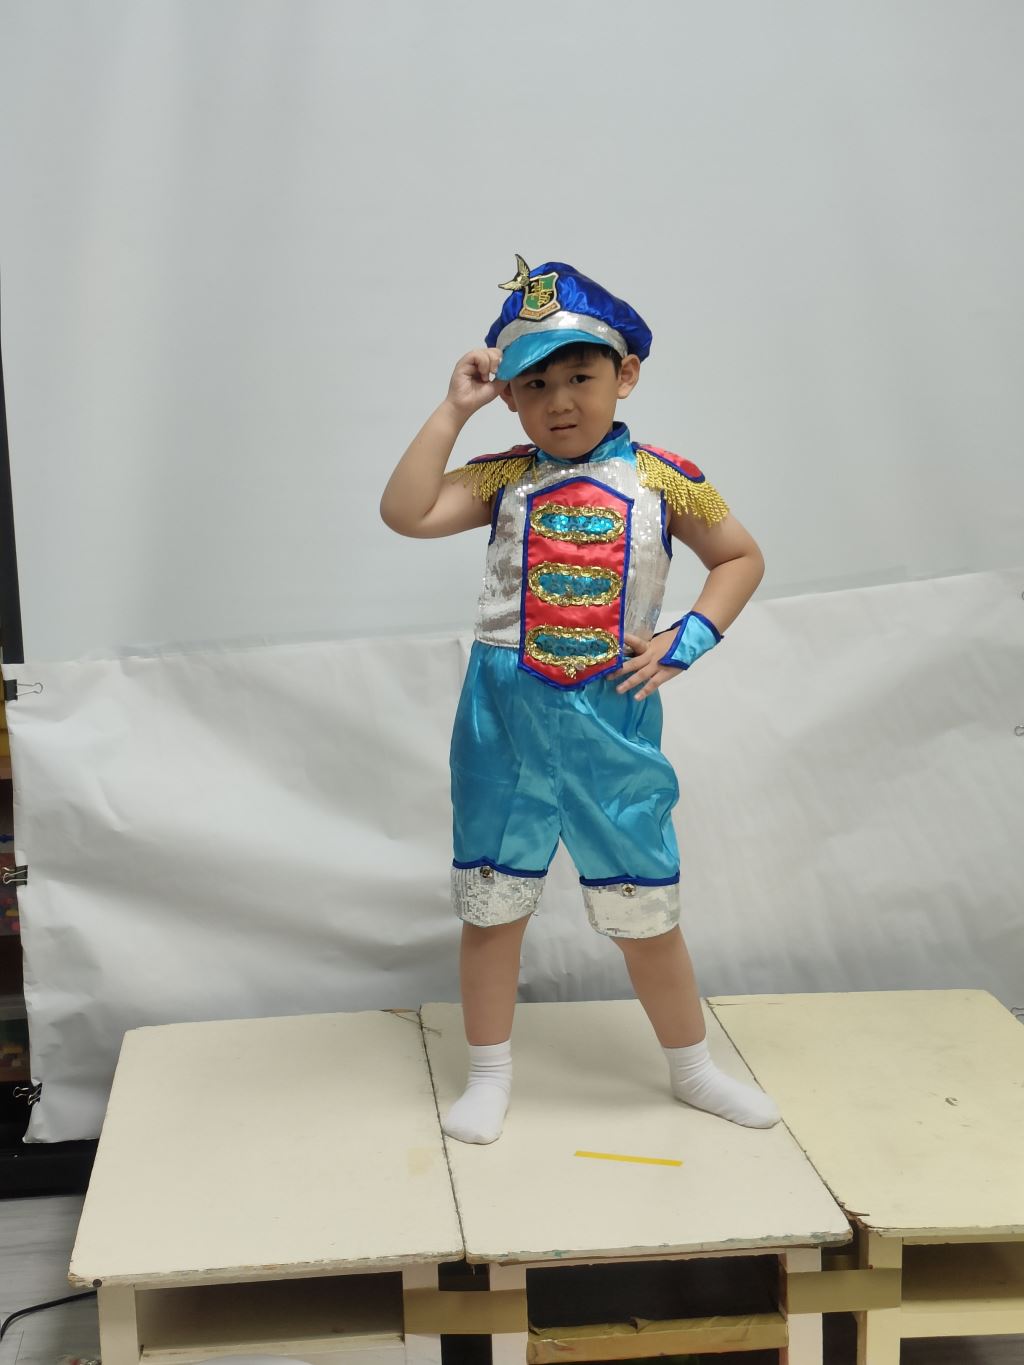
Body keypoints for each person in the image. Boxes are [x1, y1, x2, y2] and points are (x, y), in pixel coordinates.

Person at [380, 257, 780, 1144]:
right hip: (502, 723)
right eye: (535, 383)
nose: (559, 400)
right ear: (510, 396)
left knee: (647, 913)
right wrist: (452, 410)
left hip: (613, 720)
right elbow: (405, 512)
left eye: (580, 376)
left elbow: (740, 557)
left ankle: (693, 1068)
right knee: (493, 907)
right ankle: (489, 1074)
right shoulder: (500, 480)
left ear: (624, 374)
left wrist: (687, 639)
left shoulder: (666, 480)